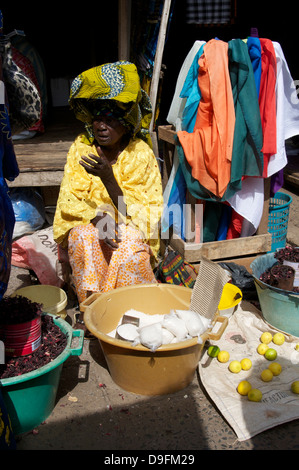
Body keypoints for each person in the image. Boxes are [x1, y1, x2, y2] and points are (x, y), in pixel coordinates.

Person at [53, 61, 163, 327]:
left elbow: (147, 213)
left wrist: (108, 178)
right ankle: (92, 314)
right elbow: (69, 202)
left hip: (130, 228)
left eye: (110, 118)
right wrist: (97, 219)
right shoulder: (81, 148)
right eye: (97, 118)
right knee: (82, 238)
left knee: (129, 245)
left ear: (126, 123)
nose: (101, 125)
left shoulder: (140, 154)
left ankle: (128, 313)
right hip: (90, 225)